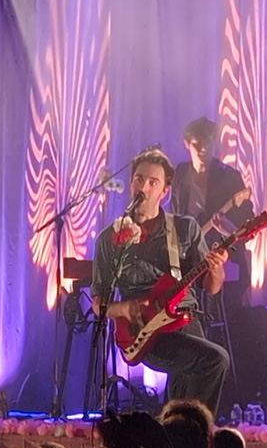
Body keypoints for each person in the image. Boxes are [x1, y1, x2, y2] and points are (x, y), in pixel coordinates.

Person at [93, 148, 231, 415]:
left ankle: (176, 437)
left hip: (187, 322)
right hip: (146, 332)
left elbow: (211, 287)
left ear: (164, 191)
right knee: (214, 360)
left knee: (186, 393)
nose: (143, 187)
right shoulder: (109, 238)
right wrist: (125, 309)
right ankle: (194, 434)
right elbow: (98, 303)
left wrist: (217, 269)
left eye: (152, 182)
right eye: (139, 179)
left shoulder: (184, 228)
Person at [171, 117, 254, 309]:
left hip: (220, 250)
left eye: (208, 142)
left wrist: (227, 229)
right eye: (197, 143)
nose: (203, 148)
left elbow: (246, 223)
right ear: (187, 144)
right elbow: (175, 215)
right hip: (187, 253)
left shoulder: (229, 177)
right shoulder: (180, 174)